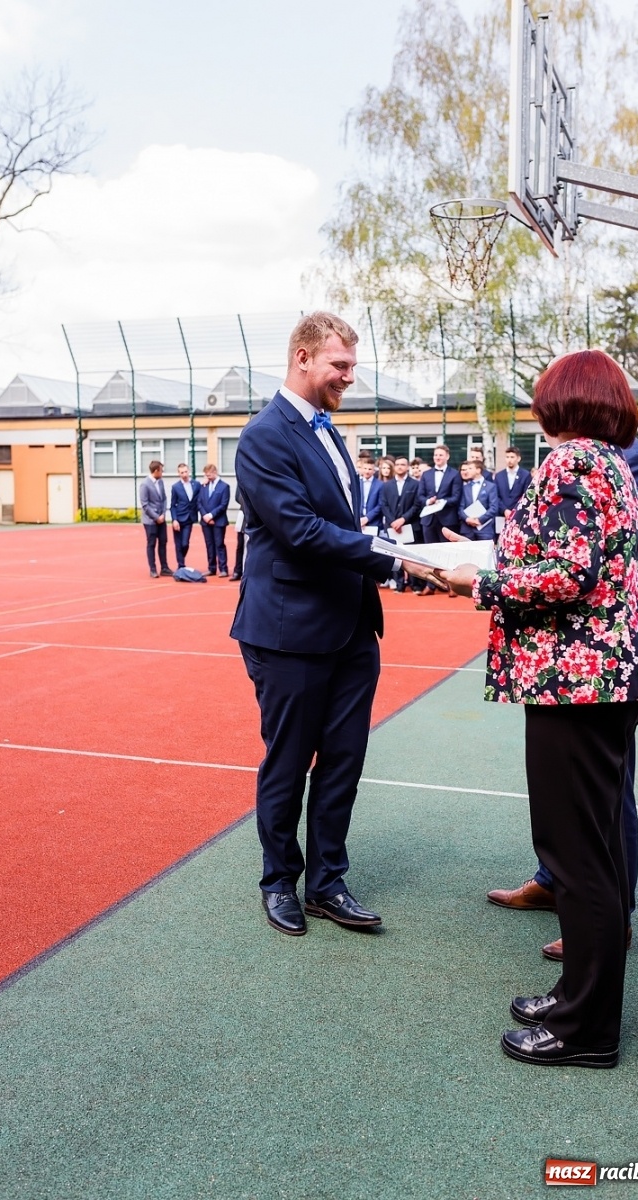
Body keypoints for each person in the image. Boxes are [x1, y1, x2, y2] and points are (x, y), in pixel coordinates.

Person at [439, 349, 638, 1068]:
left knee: (579, 859)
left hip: (578, 680)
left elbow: (566, 572)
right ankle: (577, 1001)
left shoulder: (570, 463)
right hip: (608, 676)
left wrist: (480, 579)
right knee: (592, 851)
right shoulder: (614, 463)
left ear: (560, 402)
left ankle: (584, 1029)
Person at [231, 312, 440, 937]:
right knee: (289, 762)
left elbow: (340, 523)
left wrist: (386, 546)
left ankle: (327, 882)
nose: (350, 377)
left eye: (352, 366)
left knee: (344, 758)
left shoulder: (329, 431)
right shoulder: (264, 435)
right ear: (302, 358)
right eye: (339, 366)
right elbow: (299, 530)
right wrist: (395, 556)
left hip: (350, 629)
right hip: (289, 630)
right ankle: (278, 882)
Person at [486, 436, 638, 960]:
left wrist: (485, 582)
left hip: (591, 668)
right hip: (574, 666)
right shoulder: (587, 458)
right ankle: (563, 891)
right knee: (572, 811)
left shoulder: (605, 460)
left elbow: (594, 571)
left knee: (602, 803)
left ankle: (608, 919)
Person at [380, 455, 424, 592]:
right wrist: (393, 521)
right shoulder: (387, 486)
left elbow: (417, 505)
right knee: (395, 555)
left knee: (412, 556)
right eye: (397, 464)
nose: (399, 466)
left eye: (403, 464)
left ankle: (415, 584)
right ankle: (399, 584)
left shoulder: (416, 484)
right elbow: (384, 505)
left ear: (407, 467)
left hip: (410, 525)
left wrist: (403, 519)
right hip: (392, 526)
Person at [417, 444, 462, 542]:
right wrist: (428, 501)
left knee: (447, 551)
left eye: (441, 455)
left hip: (447, 519)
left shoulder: (455, 474)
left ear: (447, 456)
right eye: (435, 455)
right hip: (428, 519)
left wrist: (441, 502)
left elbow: (456, 497)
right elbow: (420, 496)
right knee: (429, 551)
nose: (437, 457)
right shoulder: (426, 474)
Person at [140, 460, 171, 578]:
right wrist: (156, 517)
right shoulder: (145, 484)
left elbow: (164, 499)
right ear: (156, 471)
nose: (162, 472)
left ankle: (164, 567)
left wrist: (163, 514)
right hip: (150, 521)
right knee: (151, 543)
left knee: (163, 542)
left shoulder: (161, 482)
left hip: (161, 518)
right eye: (161, 470)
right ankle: (152, 569)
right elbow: (145, 505)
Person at [198, 464, 230, 576]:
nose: (208, 477)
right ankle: (211, 568)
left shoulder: (224, 486)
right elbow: (199, 502)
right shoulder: (203, 486)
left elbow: (223, 504)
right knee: (209, 544)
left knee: (219, 544)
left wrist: (211, 515)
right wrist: (205, 516)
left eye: (210, 475)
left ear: (215, 472)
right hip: (205, 522)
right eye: (206, 475)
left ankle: (223, 568)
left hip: (218, 521)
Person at [170, 461, 201, 570]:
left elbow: (200, 496)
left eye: (186, 472)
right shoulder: (175, 487)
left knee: (185, 543)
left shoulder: (196, 484)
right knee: (178, 544)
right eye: (181, 472)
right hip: (178, 518)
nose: (184, 474)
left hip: (190, 518)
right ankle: (181, 565)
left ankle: (181, 559)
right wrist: (174, 519)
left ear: (189, 471)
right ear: (178, 474)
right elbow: (173, 505)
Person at [457, 459, 498, 540]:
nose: (467, 471)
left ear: (478, 470)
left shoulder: (491, 486)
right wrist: (467, 519)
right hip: (467, 529)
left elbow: (493, 508)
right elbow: (461, 507)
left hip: (484, 529)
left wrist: (479, 520)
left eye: (470, 469)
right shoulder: (465, 487)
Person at [494, 446, 532, 521]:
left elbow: (526, 495)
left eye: (512, 457)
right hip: (501, 515)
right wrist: (505, 510)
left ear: (518, 458)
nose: (509, 460)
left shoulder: (525, 475)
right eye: (507, 457)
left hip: (518, 514)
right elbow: (496, 496)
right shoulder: (499, 476)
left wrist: (515, 510)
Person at [358, 457, 383, 530]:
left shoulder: (380, 484)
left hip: (374, 522)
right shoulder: (356, 484)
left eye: (370, 469)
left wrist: (367, 518)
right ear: (361, 469)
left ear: (374, 471)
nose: (367, 471)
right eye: (365, 468)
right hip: (358, 521)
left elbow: (380, 504)